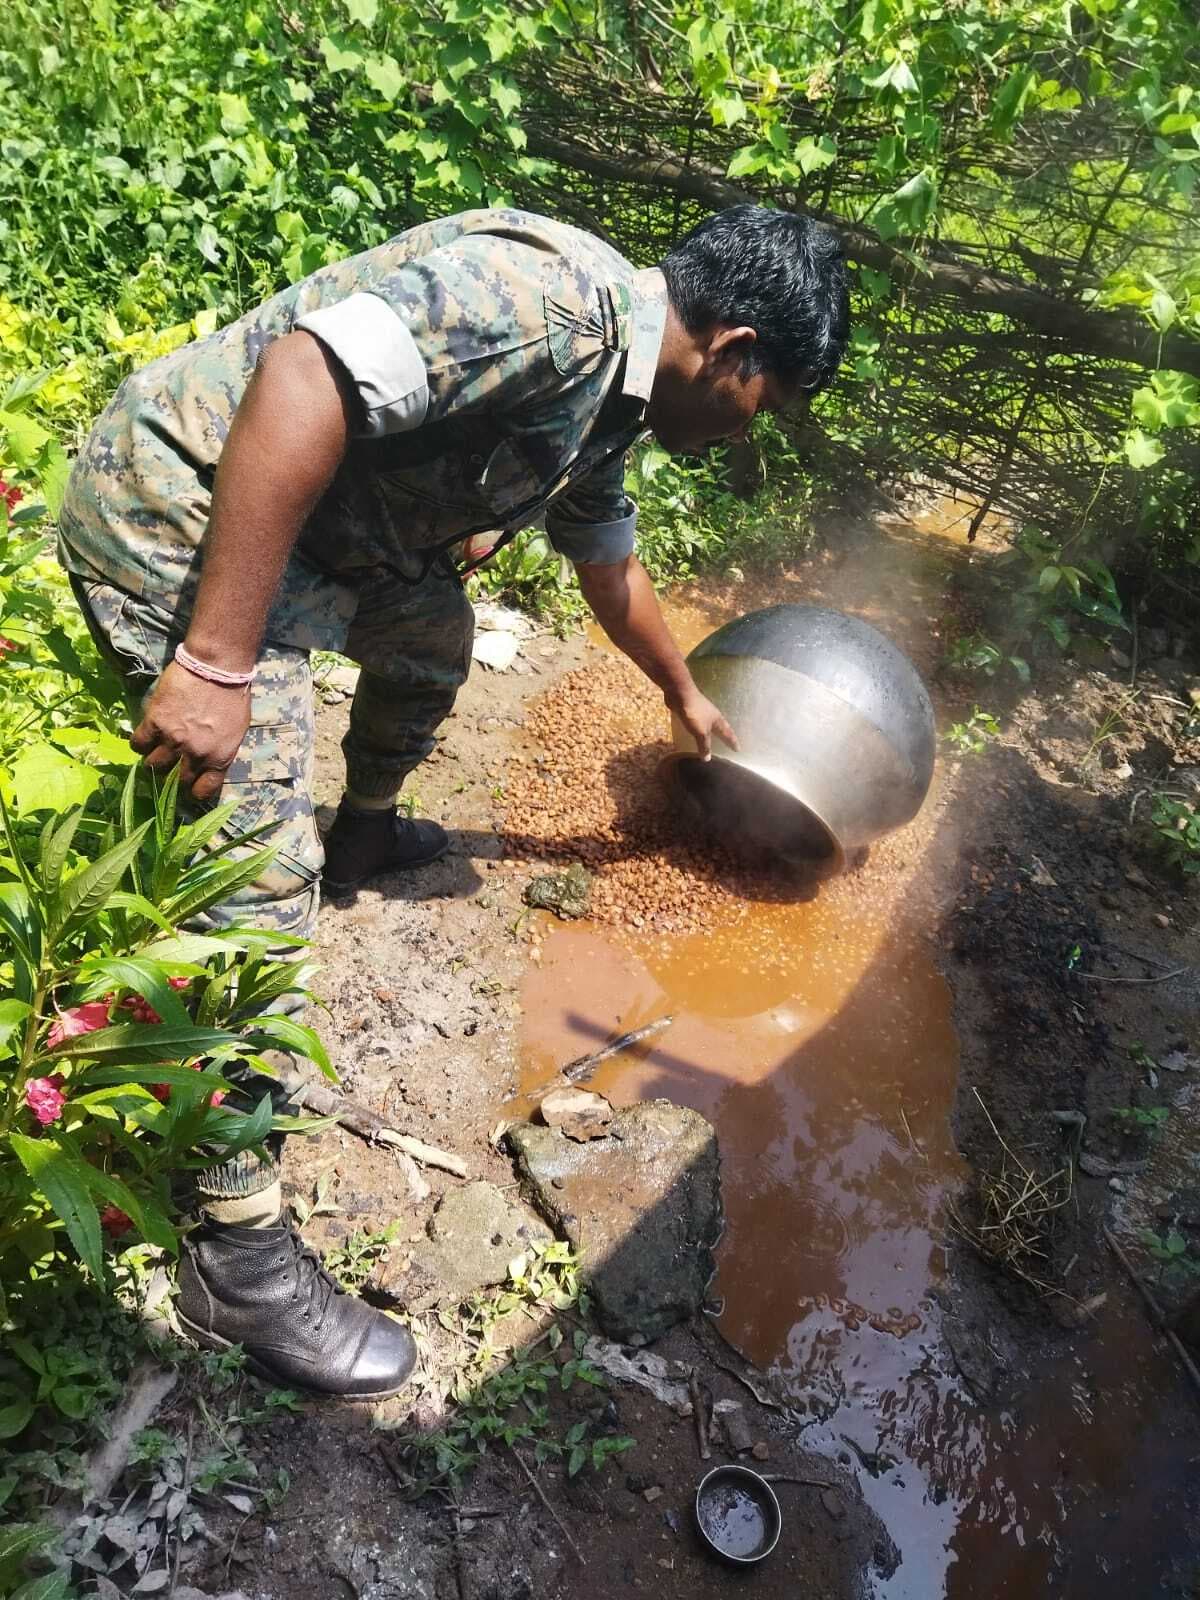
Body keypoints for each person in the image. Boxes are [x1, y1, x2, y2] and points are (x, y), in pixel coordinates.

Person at [59, 203, 849, 1397]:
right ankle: (234, 1254)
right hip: (181, 522)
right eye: (765, 405)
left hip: (332, 554)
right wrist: (218, 662)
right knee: (262, 893)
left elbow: (607, 561)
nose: (750, 435)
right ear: (735, 351)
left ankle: (365, 830)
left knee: (433, 640)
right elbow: (302, 376)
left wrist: (685, 691)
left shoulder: (616, 399)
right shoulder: (552, 307)